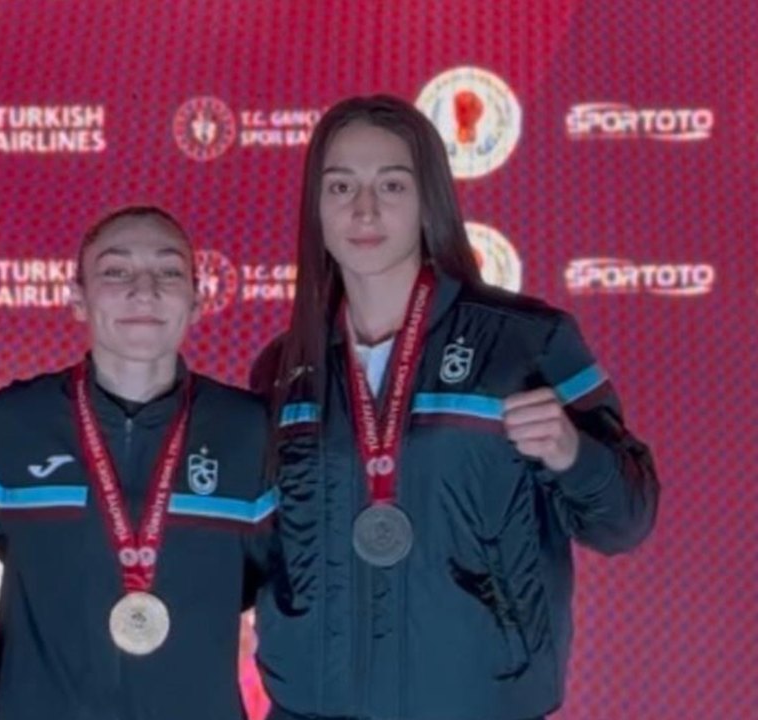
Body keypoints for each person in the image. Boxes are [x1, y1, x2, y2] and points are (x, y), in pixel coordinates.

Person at [249, 95, 660, 720]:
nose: (364, 209)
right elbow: (258, 552)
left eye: (391, 185)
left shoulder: (527, 342)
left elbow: (626, 521)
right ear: (317, 208)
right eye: (341, 187)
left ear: (428, 200)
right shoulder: (283, 367)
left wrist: (573, 454)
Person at [0, 206, 274, 720]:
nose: (144, 290)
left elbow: (278, 590)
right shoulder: (11, 425)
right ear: (77, 298)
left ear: (197, 299)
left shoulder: (249, 431)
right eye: (116, 271)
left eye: (168, 271)